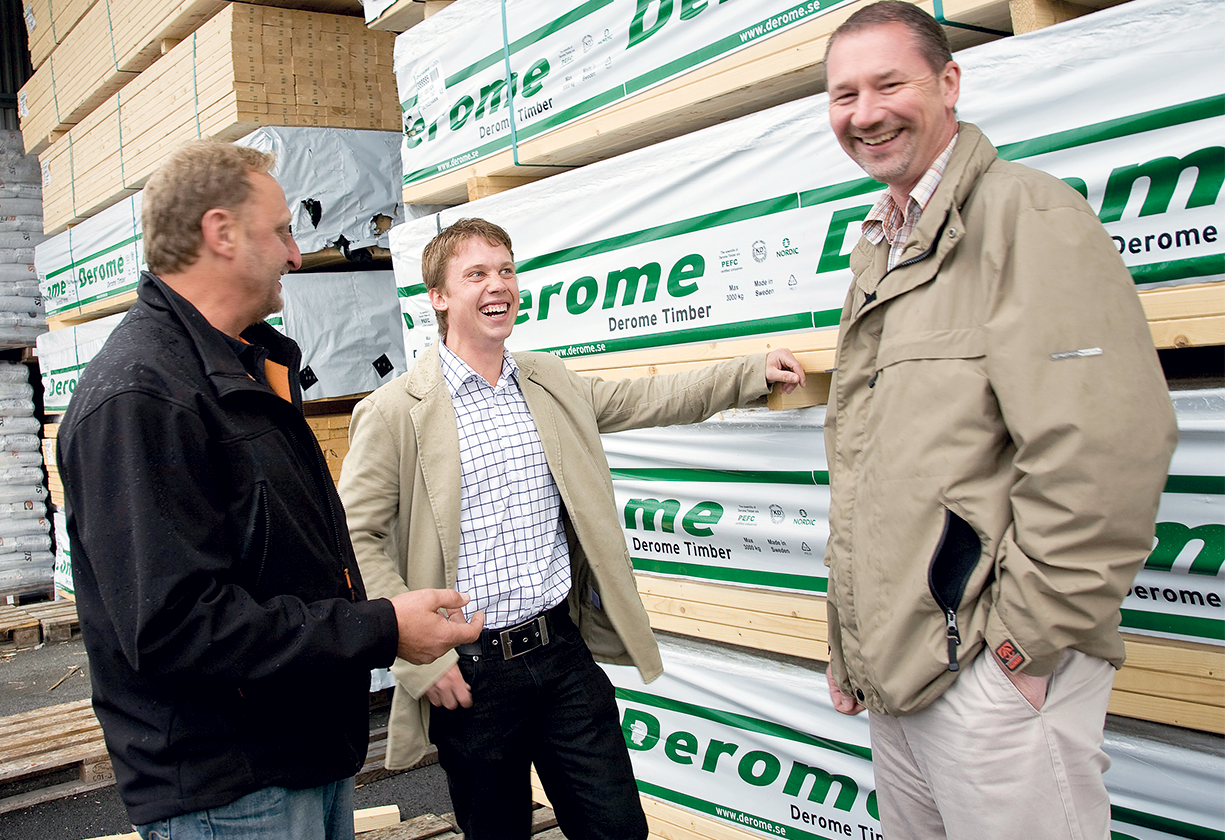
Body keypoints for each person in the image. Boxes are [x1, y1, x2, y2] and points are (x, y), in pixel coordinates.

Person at [818, 4, 1178, 838]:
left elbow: (1103, 450)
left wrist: (1020, 647)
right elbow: (874, 474)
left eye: (888, 85)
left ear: (948, 83)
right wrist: (852, 645)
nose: (865, 113)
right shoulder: (883, 242)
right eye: (843, 95)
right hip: (902, 672)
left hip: (989, 675)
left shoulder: (1025, 216)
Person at [57, 139, 484, 840]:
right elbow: (175, 628)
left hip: (298, 758)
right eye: (282, 231)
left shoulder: (241, 369)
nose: (295, 254)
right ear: (221, 233)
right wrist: (380, 628)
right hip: (232, 790)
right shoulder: (142, 398)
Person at [337, 217, 806, 839]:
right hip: (470, 674)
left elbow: (648, 398)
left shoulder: (548, 382)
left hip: (561, 654)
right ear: (439, 297)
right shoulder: (395, 411)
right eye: (476, 274)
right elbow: (356, 538)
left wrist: (749, 373)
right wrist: (420, 659)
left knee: (617, 830)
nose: (498, 285)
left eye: (506, 270)